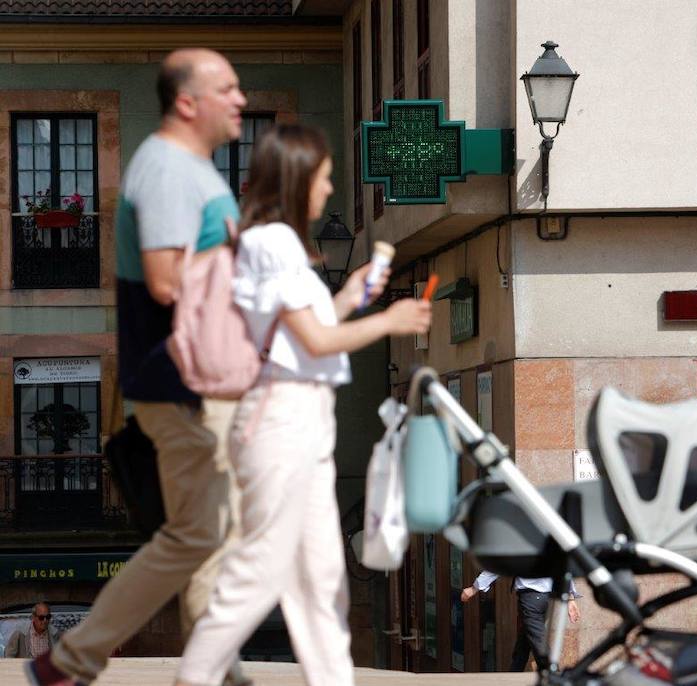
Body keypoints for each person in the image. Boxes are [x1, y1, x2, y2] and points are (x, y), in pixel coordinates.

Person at [173, 123, 432, 686]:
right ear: (296, 179)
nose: (329, 186)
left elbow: (306, 331)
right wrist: (389, 319)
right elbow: (312, 342)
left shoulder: (279, 246)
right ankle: (193, 677)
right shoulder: (272, 243)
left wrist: (349, 297)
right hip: (281, 419)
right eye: (323, 176)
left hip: (303, 420)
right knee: (263, 567)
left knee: (322, 577)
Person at [28, 48, 250, 686]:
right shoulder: (167, 170)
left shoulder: (193, 172)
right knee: (196, 537)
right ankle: (73, 659)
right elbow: (164, 279)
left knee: (210, 534)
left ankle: (197, 666)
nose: (239, 99)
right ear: (188, 102)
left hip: (199, 384)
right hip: (181, 385)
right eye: (227, 88)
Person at [461, 573, 580, 672]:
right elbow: (562, 568)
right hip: (545, 599)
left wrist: (474, 588)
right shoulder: (549, 545)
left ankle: (553, 675)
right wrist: (570, 598)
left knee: (538, 642)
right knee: (525, 641)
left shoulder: (522, 545)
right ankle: (514, 672)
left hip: (531, 599)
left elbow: (500, 563)